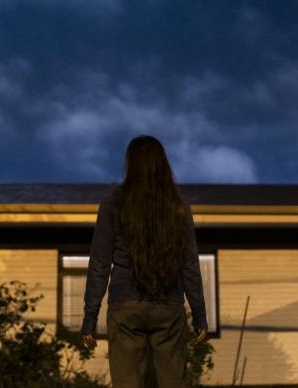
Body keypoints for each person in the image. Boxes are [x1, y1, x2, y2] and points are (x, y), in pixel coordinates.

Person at [81, 135, 209, 387]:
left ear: (130, 164)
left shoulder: (112, 204)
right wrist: (200, 316)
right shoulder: (178, 207)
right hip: (168, 306)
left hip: (125, 308)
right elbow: (190, 265)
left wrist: (89, 319)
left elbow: (99, 264)